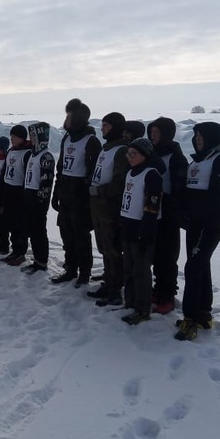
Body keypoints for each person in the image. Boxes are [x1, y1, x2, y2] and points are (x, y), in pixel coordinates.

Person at [175, 122, 220, 341]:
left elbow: (217, 196)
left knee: (193, 266)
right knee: (201, 265)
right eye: (195, 136)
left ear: (212, 137)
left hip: (209, 223)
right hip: (194, 223)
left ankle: (190, 317)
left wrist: (196, 213)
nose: (197, 139)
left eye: (201, 135)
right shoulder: (200, 159)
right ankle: (203, 311)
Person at [51, 99, 101, 287]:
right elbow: (61, 166)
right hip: (65, 192)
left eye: (69, 116)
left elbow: (93, 172)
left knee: (81, 236)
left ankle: (84, 271)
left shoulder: (91, 141)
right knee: (66, 233)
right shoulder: (67, 138)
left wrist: (87, 197)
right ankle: (70, 268)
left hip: (80, 195)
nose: (66, 120)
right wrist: (57, 191)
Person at [87, 112, 131, 305]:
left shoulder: (122, 150)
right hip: (97, 206)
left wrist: (99, 190)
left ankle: (115, 288)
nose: (102, 128)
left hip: (110, 208)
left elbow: (120, 183)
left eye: (106, 125)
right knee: (104, 247)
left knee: (112, 249)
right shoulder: (106, 148)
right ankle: (109, 281)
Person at [119, 138, 164, 325]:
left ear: (144, 155)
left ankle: (143, 307)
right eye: (128, 153)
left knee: (141, 270)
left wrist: (146, 230)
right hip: (128, 225)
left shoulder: (151, 174)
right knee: (128, 267)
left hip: (142, 228)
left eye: (134, 154)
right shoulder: (130, 172)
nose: (129, 157)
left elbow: (152, 206)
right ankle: (129, 301)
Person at [148, 117, 188, 314]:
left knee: (167, 257)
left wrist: (165, 200)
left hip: (169, 216)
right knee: (155, 255)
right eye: (152, 132)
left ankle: (167, 296)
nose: (153, 136)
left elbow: (180, 190)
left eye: (157, 133)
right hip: (151, 213)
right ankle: (158, 289)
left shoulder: (176, 158)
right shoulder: (152, 154)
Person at [20, 122, 55, 274]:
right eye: (31, 136)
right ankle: (36, 259)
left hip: (38, 198)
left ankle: (42, 261)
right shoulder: (33, 154)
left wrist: (40, 199)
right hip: (29, 194)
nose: (31, 139)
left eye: (34, 136)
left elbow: (46, 182)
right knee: (32, 230)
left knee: (39, 230)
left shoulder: (46, 156)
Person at [0, 125, 32, 265]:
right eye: (11, 136)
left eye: (14, 136)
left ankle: (21, 252)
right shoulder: (11, 151)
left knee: (20, 225)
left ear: (21, 137)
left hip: (19, 191)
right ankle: (15, 251)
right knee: (11, 223)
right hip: (8, 189)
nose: (11, 139)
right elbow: (5, 171)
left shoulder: (27, 152)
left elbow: (27, 175)